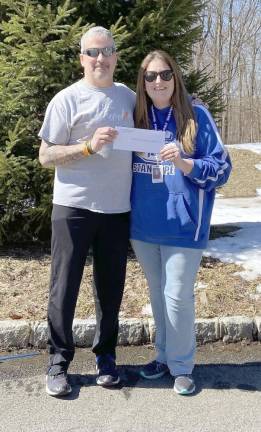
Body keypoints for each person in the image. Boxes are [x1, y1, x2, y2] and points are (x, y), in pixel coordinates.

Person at [38, 27, 135, 396]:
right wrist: (87, 147)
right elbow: (46, 156)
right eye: (92, 52)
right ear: (82, 58)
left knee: (110, 290)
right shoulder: (66, 100)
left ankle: (106, 358)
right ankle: (58, 362)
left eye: (107, 51)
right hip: (73, 207)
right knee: (64, 289)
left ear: (115, 56)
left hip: (116, 209)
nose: (100, 58)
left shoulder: (127, 96)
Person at [130, 50, 232, 395]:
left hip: (185, 225)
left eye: (164, 74)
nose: (158, 81)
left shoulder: (195, 115)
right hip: (144, 226)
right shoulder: (136, 116)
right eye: (150, 76)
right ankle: (163, 356)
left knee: (176, 296)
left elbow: (223, 169)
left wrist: (186, 163)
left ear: (176, 77)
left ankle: (183, 365)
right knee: (158, 296)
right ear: (142, 83)